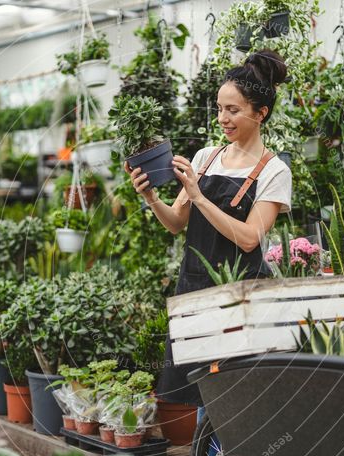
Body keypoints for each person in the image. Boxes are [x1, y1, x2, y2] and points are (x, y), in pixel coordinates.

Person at [124, 48, 293, 424]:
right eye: (219, 109)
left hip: (239, 296)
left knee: (234, 398)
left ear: (260, 113)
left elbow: (249, 238)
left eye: (233, 110)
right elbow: (176, 223)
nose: (223, 118)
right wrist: (151, 196)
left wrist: (198, 195)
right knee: (201, 396)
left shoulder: (274, 171)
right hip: (195, 289)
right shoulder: (206, 157)